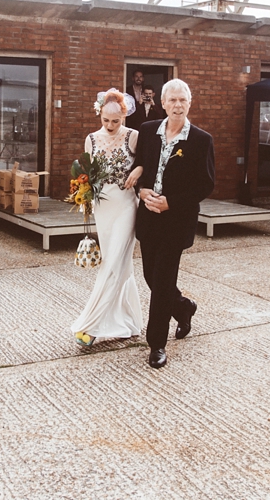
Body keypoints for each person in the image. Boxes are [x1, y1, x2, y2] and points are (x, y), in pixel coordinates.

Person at [131, 78, 215, 369]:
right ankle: (183, 307)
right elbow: (138, 167)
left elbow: (205, 185)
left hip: (176, 221)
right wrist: (140, 190)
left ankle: (156, 344)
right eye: (173, 100)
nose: (178, 105)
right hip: (148, 219)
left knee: (163, 279)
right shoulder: (146, 131)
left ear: (189, 103)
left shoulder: (201, 140)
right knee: (152, 278)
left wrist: (171, 202)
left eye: (183, 100)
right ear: (163, 103)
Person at [71, 88, 145, 347]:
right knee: (121, 265)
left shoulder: (134, 136)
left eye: (116, 120)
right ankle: (130, 321)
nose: (111, 125)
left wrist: (138, 169)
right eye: (106, 120)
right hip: (103, 207)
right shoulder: (90, 139)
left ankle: (91, 325)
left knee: (113, 262)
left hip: (126, 205)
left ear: (124, 116)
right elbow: (87, 173)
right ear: (99, 114)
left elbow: (149, 160)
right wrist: (83, 194)